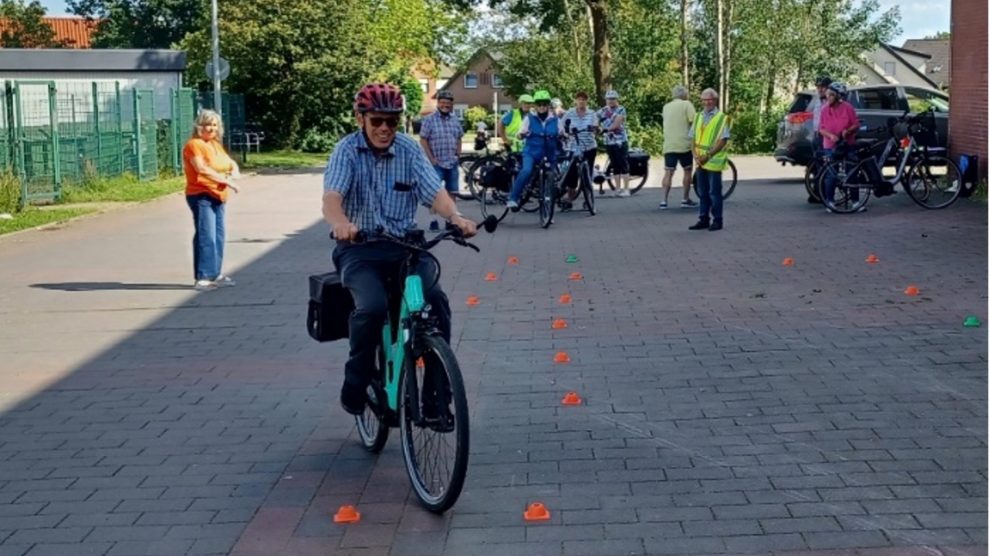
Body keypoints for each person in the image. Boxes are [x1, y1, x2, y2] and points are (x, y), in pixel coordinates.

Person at [322, 83, 478, 415]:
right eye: (377, 120)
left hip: (405, 247)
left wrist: (456, 215)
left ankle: (437, 399)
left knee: (436, 303)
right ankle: (356, 381)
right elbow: (332, 198)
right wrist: (340, 223)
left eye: (391, 122)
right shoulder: (346, 151)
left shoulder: (408, 150)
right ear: (360, 118)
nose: (384, 129)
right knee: (372, 308)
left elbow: (434, 192)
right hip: (359, 249)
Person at [182, 109, 240, 291]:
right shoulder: (194, 145)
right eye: (207, 125)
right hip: (201, 195)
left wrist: (235, 170)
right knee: (206, 235)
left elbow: (230, 162)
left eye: (214, 125)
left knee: (218, 236)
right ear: (199, 126)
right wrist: (225, 180)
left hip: (219, 195)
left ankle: (215, 273)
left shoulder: (215, 145)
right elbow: (201, 169)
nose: (210, 129)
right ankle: (203, 277)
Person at [506, 90, 559, 211]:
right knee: (526, 170)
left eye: (544, 104)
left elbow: (560, 131)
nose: (542, 107)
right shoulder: (529, 118)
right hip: (532, 152)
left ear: (548, 105)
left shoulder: (555, 119)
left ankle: (548, 210)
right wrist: (521, 134)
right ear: (535, 106)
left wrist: (564, 135)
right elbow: (521, 132)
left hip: (549, 152)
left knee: (551, 178)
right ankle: (513, 198)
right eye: (539, 104)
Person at [419, 90, 464, 231]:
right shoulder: (429, 119)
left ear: (452, 105)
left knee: (452, 192)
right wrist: (431, 159)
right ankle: (434, 220)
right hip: (436, 163)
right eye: (442, 102)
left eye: (448, 103)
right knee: (434, 193)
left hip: (452, 162)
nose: (445, 105)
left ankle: (451, 221)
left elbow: (459, 137)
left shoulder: (455, 119)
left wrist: (458, 153)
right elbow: (423, 139)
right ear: (438, 103)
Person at [688, 88, 731, 232]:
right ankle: (703, 219)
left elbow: (722, 140)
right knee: (702, 191)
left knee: (714, 192)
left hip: (713, 160)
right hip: (700, 160)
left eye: (709, 99)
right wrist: (695, 154)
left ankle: (717, 220)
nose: (706, 103)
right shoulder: (698, 116)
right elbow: (692, 136)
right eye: (704, 100)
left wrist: (708, 155)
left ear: (715, 100)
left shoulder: (722, 118)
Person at [818, 81, 863, 213]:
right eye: (827, 95)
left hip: (847, 143)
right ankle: (830, 202)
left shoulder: (848, 108)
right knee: (831, 174)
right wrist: (830, 136)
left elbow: (856, 124)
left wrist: (848, 131)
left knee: (852, 172)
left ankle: (856, 202)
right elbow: (821, 128)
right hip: (831, 145)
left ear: (838, 96)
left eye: (831, 95)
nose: (828, 97)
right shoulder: (824, 110)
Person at [559, 91, 599, 210]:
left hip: (589, 146)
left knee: (588, 173)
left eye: (584, 99)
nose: (581, 101)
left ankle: (588, 198)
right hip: (574, 147)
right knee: (572, 174)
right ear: (576, 101)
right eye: (579, 99)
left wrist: (594, 128)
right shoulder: (569, 113)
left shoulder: (592, 113)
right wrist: (565, 133)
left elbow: (596, 126)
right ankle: (570, 198)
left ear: (587, 101)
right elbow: (561, 127)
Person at [660, 84, 697, 210]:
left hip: (669, 143)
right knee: (687, 170)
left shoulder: (666, 107)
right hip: (684, 143)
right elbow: (694, 121)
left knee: (668, 172)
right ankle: (685, 199)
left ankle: (664, 201)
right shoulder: (687, 105)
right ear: (684, 94)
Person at [598, 90, 631, 197]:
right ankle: (617, 189)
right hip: (609, 141)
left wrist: (605, 129)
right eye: (609, 99)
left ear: (617, 100)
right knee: (614, 165)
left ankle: (626, 189)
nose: (611, 101)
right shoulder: (602, 111)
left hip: (620, 140)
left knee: (623, 164)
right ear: (606, 100)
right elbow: (593, 119)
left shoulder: (621, 109)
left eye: (613, 99)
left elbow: (617, 123)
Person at [806, 75, 832, 203]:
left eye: (823, 87)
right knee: (816, 165)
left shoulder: (831, 102)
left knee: (825, 165)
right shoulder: (818, 101)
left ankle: (823, 194)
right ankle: (816, 192)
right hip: (817, 135)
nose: (820, 89)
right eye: (818, 87)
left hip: (826, 136)